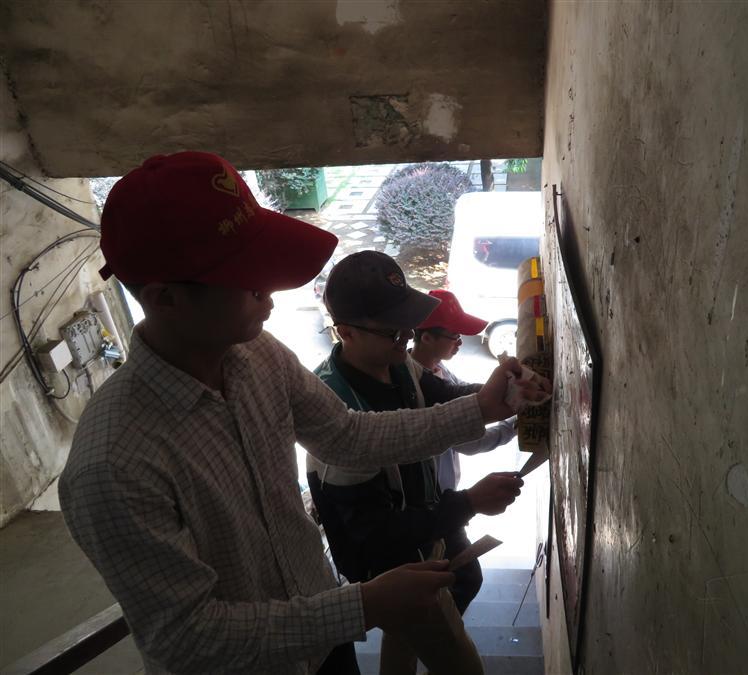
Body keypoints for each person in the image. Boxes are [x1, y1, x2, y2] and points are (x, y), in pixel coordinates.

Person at [58, 152, 548, 675]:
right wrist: (363, 605)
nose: (270, 295)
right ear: (166, 299)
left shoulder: (257, 354)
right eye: (248, 280)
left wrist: (482, 407)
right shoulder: (112, 467)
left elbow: (346, 436)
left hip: (326, 640)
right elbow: (187, 636)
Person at [306, 251, 524, 675]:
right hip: (393, 569)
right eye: (393, 330)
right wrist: (470, 503)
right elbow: (378, 536)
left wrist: (503, 391)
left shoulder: (397, 361)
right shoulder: (333, 414)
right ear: (345, 332)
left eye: (408, 321)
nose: (408, 336)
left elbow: (442, 396)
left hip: (426, 536)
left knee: (403, 641)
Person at [410, 289, 517, 493]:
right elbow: (472, 443)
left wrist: (506, 388)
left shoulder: (437, 366)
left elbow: (461, 390)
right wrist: (514, 424)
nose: (460, 342)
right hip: (436, 493)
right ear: (427, 338)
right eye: (454, 336)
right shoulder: (420, 391)